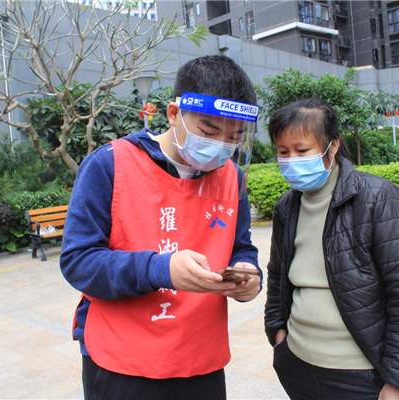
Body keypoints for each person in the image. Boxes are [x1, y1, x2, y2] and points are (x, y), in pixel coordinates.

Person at [60, 55, 262, 400]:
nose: (221, 146)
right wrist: (160, 269)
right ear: (173, 114)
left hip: (200, 355)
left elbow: (240, 245)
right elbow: (78, 261)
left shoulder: (232, 176)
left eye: (235, 137)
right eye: (209, 132)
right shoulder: (110, 164)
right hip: (123, 358)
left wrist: (248, 272)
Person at [264, 98, 399, 400]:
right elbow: (278, 275)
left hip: (362, 374)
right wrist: (278, 334)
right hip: (298, 364)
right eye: (283, 152)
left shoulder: (378, 198)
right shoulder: (287, 206)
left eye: (302, 151)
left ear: (332, 147)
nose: (292, 160)